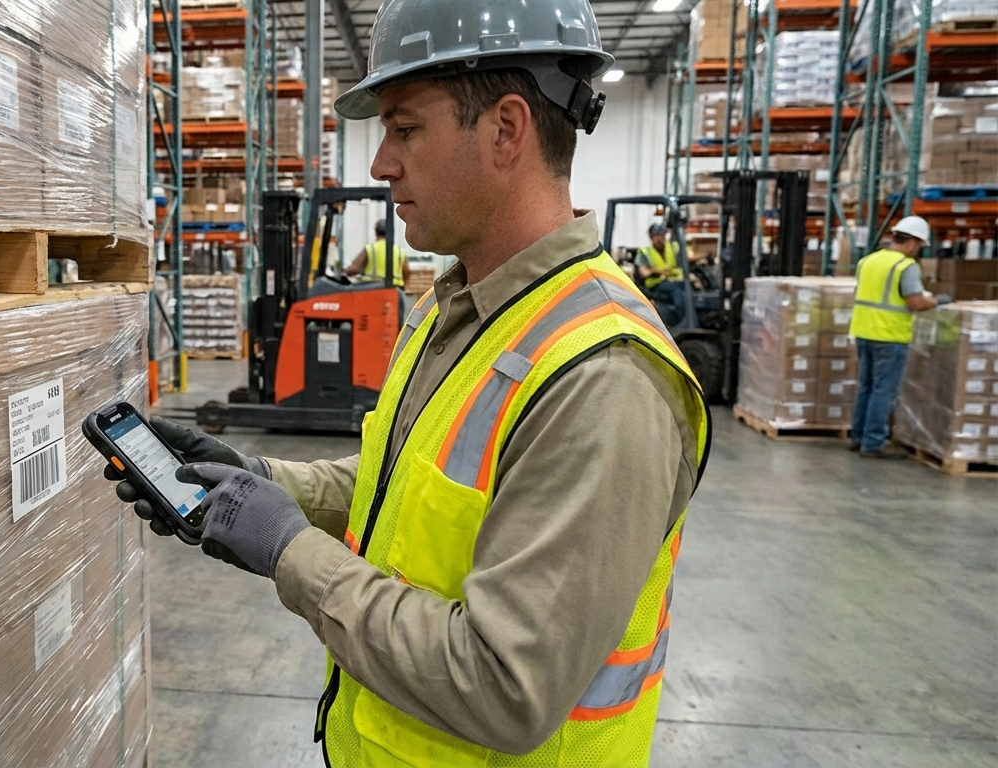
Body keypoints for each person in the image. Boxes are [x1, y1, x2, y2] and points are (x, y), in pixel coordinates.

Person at [105, 0, 711, 763]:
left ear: (506, 130)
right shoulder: (452, 310)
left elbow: (504, 685)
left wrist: (288, 549)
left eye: (406, 128)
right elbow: (409, 486)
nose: (380, 163)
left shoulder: (603, 378)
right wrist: (262, 482)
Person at [849, 216, 940, 457]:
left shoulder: (867, 261)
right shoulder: (905, 266)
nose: (918, 251)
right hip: (890, 336)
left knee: (866, 387)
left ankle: (858, 436)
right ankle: (873, 443)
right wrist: (936, 301)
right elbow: (915, 302)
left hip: (863, 331)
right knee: (883, 391)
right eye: (919, 246)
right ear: (911, 242)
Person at [636, 222, 687, 326]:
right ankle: (684, 321)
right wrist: (657, 271)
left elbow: (688, 256)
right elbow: (644, 272)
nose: (660, 238)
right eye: (656, 236)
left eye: (662, 235)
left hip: (676, 282)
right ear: (651, 237)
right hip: (656, 285)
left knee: (689, 288)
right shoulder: (645, 252)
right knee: (676, 292)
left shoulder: (673, 247)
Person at [344, 218, 410, 288]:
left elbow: (354, 268)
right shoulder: (400, 251)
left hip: (374, 289)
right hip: (396, 289)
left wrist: (344, 272)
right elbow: (406, 273)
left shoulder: (371, 248)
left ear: (376, 232)